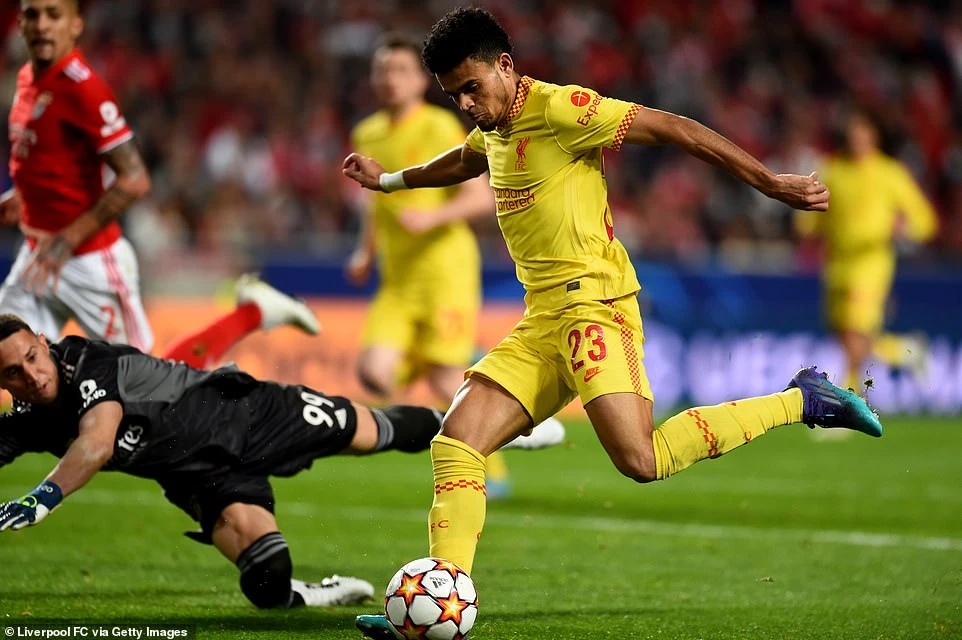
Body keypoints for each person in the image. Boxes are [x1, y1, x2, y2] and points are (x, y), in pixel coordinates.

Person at [342, 8, 883, 638]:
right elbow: (465, 161)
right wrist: (390, 180)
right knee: (456, 441)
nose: (465, 104)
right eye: (453, 94)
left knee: (641, 460)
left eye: (471, 87)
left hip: (595, 307)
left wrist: (768, 182)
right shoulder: (492, 127)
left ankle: (804, 400)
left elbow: (675, 128)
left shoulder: (563, 109)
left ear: (505, 67)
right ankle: (438, 607)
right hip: (542, 318)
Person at [0, 313, 440, 607]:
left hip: (247, 415)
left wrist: (42, 498)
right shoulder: (25, 422)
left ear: (43, 342)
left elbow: (97, 445)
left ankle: (472, 424)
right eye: (13, 372)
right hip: (199, 477)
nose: (32, 376)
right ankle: (314, 593)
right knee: (268, 581)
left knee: (374, 432)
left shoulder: (87, 363)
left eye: (32, 357)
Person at [1, 0, 318, 366]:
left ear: (76, 25)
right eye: (33, 14)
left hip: (89, 259)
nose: (42, 25)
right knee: (11, 355)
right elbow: (52, 160)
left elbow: (135, 179)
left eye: (54, 15)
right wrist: (24, 197)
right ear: (20, 23)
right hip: (38, 254)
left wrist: (68, 238)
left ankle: (252, 313)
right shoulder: (27, 79)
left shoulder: (83, 89)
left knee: (146, 383)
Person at [346, 33, 564, 497]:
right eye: (382, 70)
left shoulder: (441, 127)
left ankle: (493, 468)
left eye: (401, 70)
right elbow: (371, 201)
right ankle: (466, 361)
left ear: (419, 82)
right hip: (398, 279)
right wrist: (364, 251)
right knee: (374, 375)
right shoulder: (367, 133)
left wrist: (432, 217)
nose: (390, 79)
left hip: (445, 273)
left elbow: (479, 197)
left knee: (446, 378)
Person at [795, 109, 937, 392]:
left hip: (871, 265)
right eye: (853, 135)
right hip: (837, 263)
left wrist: (905, 229)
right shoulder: (833, 170)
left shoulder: (890, 173)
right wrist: (806, 225)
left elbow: (925, 220)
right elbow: (815, 215)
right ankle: (905, 351)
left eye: (863, 135)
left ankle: (846, 402)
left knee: (854, 335)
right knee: (845, 336)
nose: (857, 141)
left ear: (874, 137)